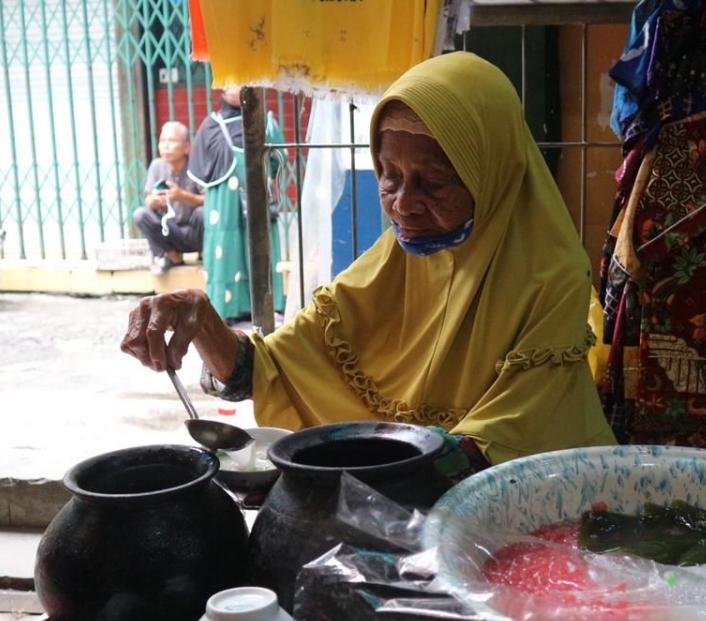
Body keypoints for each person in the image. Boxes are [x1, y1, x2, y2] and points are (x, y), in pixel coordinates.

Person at [120, 52, 614, 471]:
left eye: (433, 181)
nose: (403, 204)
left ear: (495, 176)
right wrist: (204, 322)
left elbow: (495, 456)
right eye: (389, 176)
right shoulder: (385, 269)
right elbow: (269, 372)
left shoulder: (553, 284)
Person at [188, 87, 253, 323]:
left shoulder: (262, 121)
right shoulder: (211, 125)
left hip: (253, 196)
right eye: (234, 84)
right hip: (222, 200)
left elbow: (276, 162)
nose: (239, 89)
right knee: (224, 246)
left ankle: (253, 305)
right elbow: (199, 167)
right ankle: (223, 308)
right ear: (223, 89)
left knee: (252, 246)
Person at [133, 121, 205, 276]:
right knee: (141, 214)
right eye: (162, 141)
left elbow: (211, 200)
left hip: (194, 231)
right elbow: (148, 201)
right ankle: (172, 256)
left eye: (171, 141)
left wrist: (183, 196)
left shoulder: (196, 166)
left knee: (203, 213)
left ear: (186, 147)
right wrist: (154, 201)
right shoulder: (156, 165)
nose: (165, 146)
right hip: (170, 230)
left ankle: (206, 254)